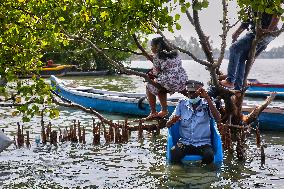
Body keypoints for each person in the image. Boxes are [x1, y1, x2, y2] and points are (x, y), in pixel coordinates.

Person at [220, 10, 280, 90]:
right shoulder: (251, 5)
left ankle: (230, 80)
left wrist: (269, 30)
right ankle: (238, 88)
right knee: (241, 58)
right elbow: (247, 20)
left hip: (263, 32)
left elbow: (277, 14)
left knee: (234, 48)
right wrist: (237, 33)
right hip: (266, 34)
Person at [166, 80, 221, 164]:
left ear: (200, 93)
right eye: (189, 92)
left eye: (194, 92)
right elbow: (168, 124)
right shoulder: (182, 104)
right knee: (174, 152)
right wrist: (171, 121)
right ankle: (182, 174)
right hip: (185, 142)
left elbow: (218, 119)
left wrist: (207, 98)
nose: (191, 95)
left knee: (209, 155)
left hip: (203, 143)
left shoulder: (207, 104)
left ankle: (202, 174)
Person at [145, 37, 188, 119]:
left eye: (152, 46)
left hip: (169, 82)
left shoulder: (157, 56)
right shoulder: (175, 52)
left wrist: (153, 60)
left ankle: (155, 112)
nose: (151, 48)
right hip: (182, 80)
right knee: (160, 85)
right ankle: (164, 110)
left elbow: (156, 72)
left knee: (149, 85)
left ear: (157, 46)